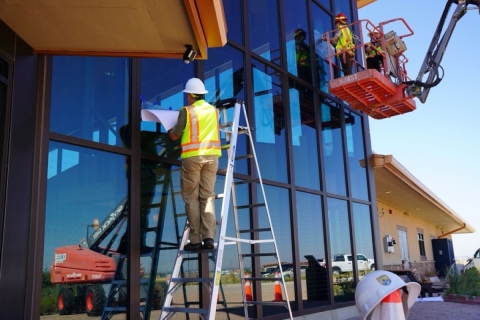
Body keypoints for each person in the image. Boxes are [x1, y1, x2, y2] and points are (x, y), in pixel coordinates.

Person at [168, 78, 221, 251]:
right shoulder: (214, 111)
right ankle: (209, 238)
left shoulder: (187, 111)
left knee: (191, 197)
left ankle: (196, 240)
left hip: (192, 157)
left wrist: (169, 129)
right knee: (207, 196)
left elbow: (175, 136)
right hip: (212, 157)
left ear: (191, 95)